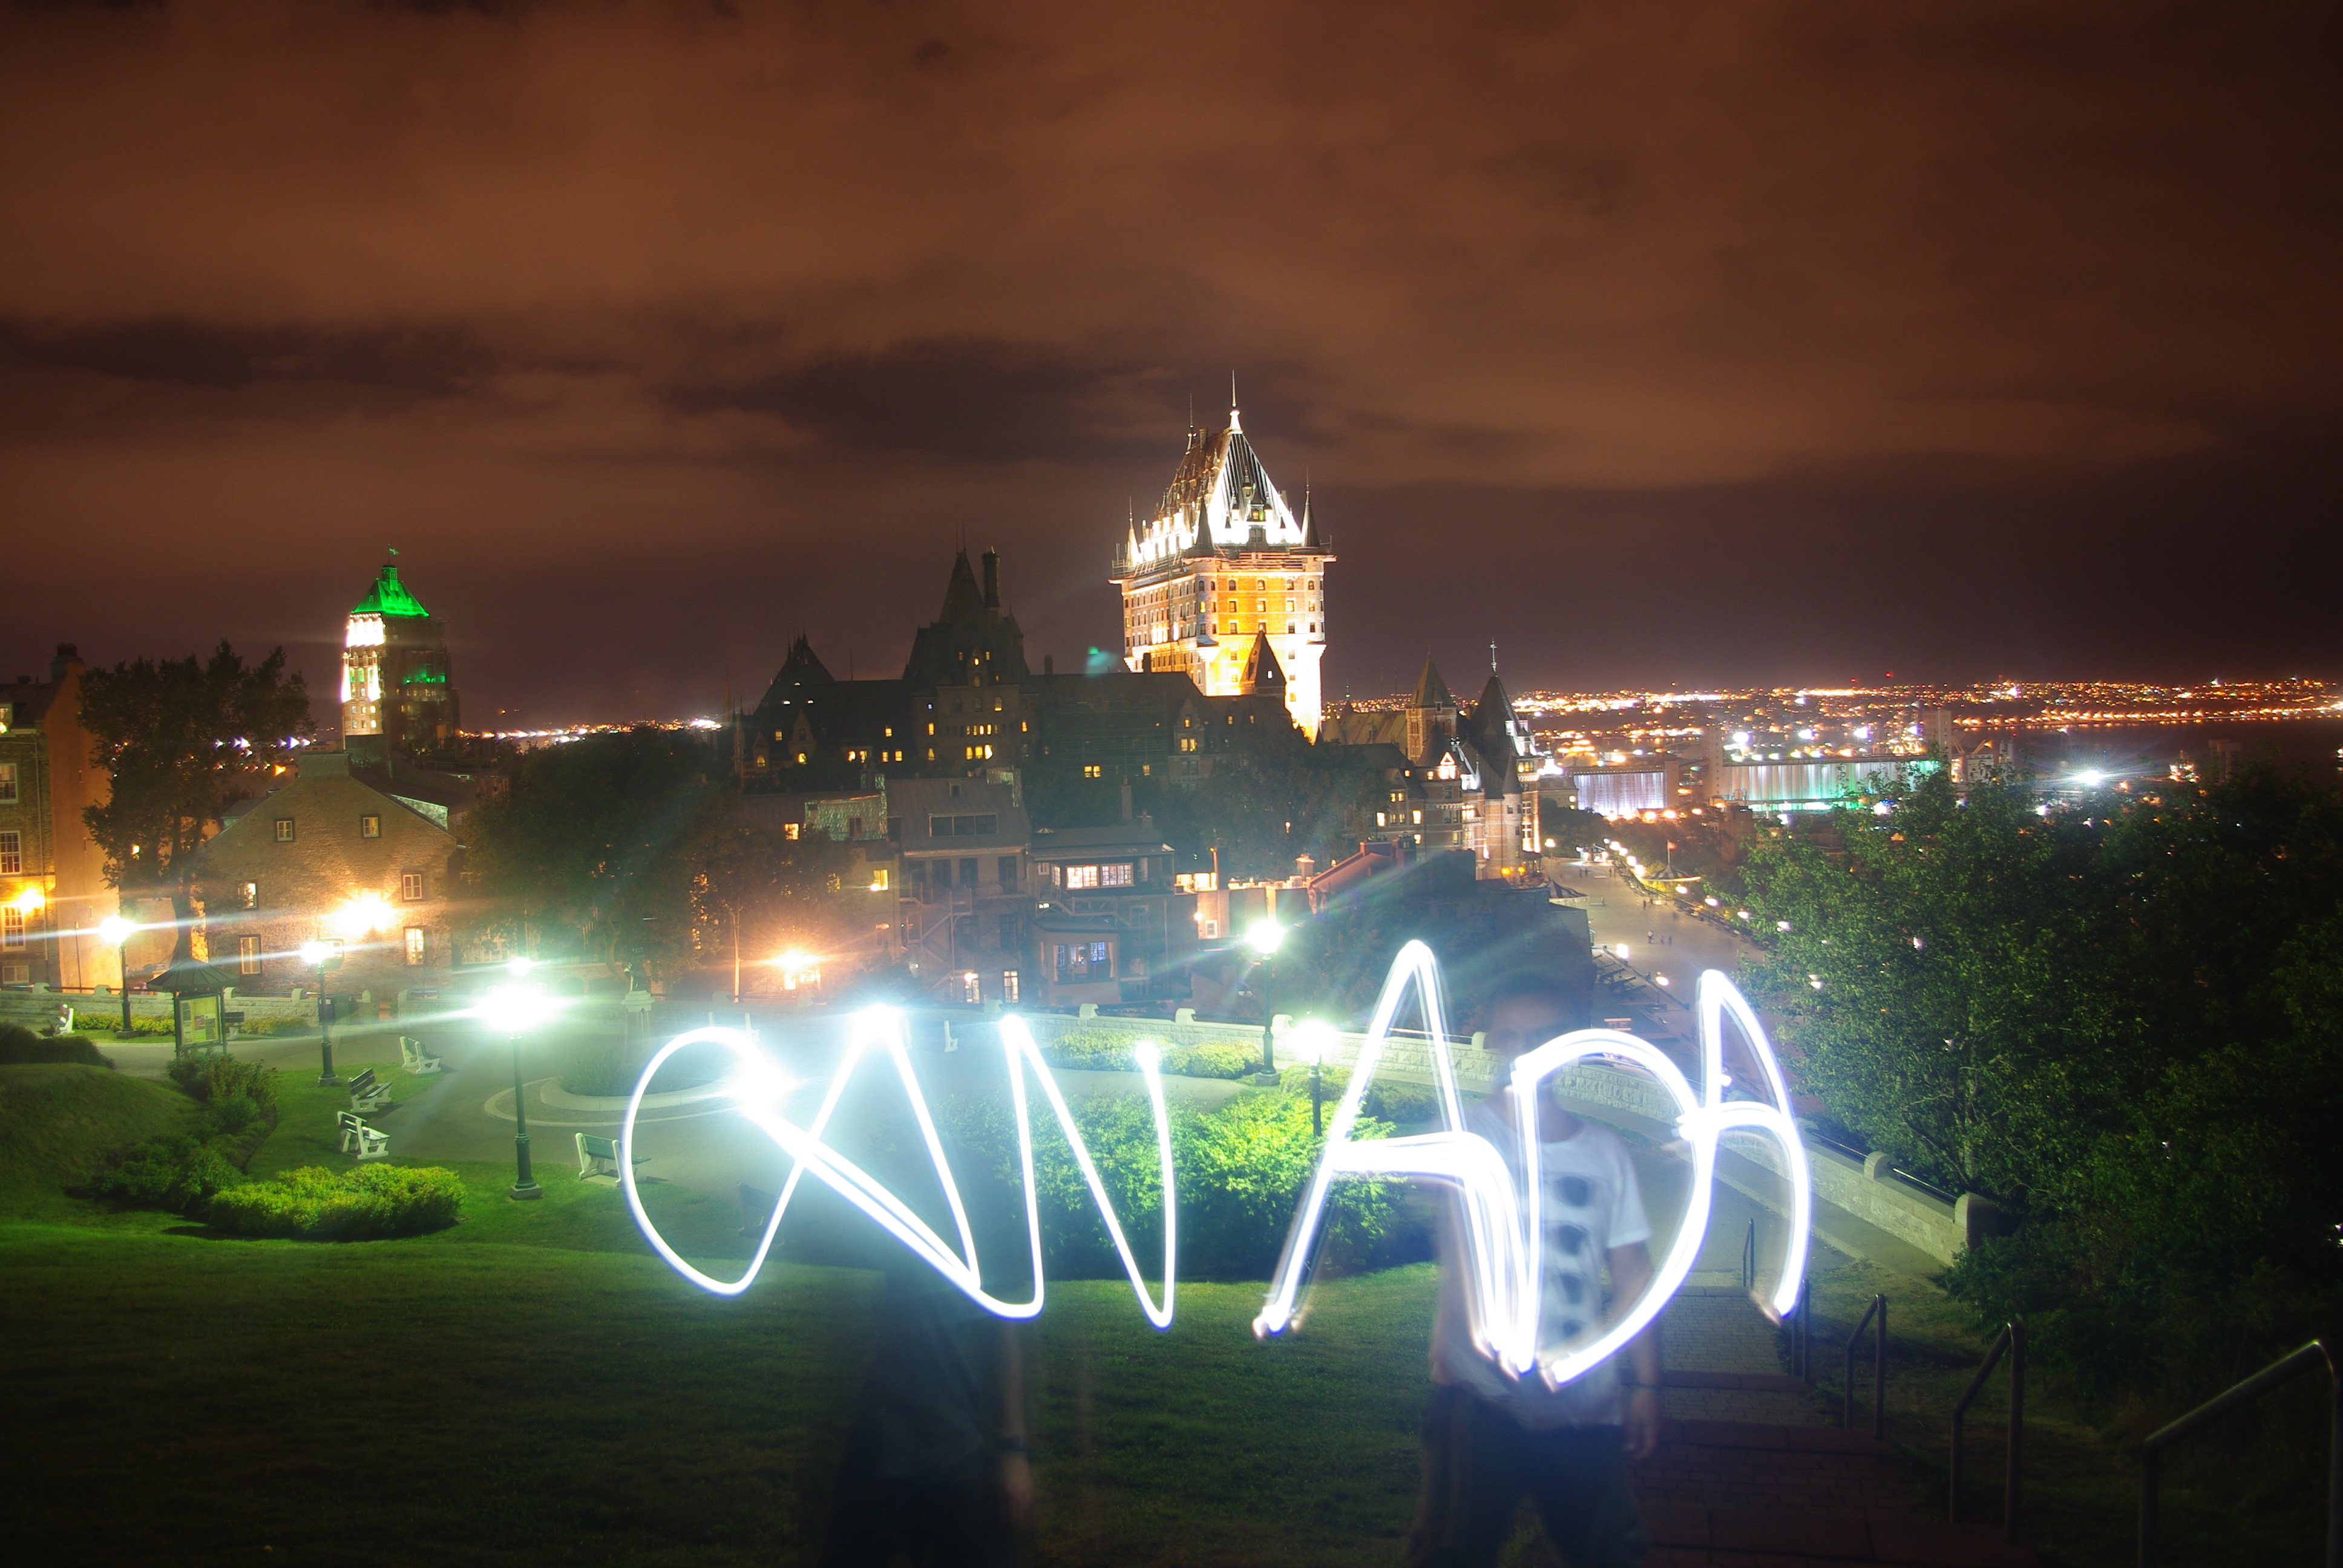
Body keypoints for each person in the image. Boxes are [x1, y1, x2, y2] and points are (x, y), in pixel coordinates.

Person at [1406, 970, 1661, 1568]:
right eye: (1512, 1036)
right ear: (1494, 1044)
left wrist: (1645, 1386)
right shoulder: (1462, 1137)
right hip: (1478, 1400)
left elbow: (1633, 1274)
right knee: (1449, 1554)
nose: (1526, 1052)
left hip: (1583, 1402)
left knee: (1605, 1556)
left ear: (1569, 1045)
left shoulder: (1605, 1153)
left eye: (1543, 1037)